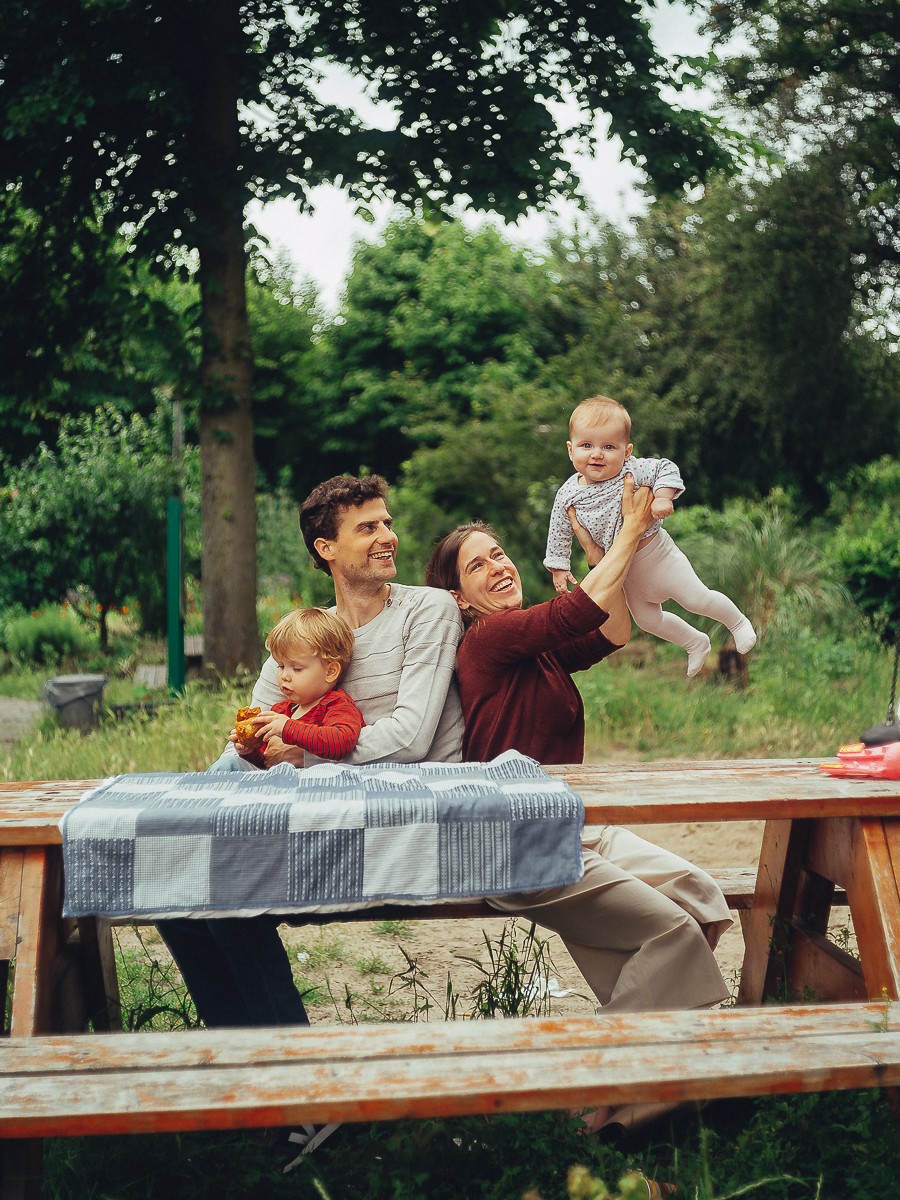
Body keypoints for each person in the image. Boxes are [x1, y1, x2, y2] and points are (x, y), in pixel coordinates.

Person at [425, 474, 733, 1138]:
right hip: (513, 845)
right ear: (459, 596)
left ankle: (638, 1088)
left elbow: (613, 626)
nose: (498, 566)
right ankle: (600, 1102)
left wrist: (606, 549)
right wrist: (630, 531)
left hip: (575, 829)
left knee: (702, 898)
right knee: (669, 934)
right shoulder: (488, 642)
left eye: (499, 553)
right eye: (477, 565)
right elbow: (578, 612)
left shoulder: (536, 652)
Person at [158, 474, 464, 1026]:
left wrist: (302, 750)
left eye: (387, 523)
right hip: (322, 812)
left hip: (406, 818)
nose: (387, 535)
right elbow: (258, 723)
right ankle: (248, 1063)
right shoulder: (311, 636)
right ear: (325, 549)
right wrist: (250, 744)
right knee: (173, 893)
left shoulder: (428, 610)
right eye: (367, 527)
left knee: (225, 891)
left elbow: (412, 737)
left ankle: (291, 1070)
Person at [544, 394, 756, 677]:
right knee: (647, 620)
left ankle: (738, 622)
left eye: (608, 446)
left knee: (695, 599)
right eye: (586, 445)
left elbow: (666, 467)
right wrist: (559, 566)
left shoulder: (630, 470)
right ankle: (694, 642)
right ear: (571, 451)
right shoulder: (567, 493)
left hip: (657, 555)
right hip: (626, 570)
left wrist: (662, 497)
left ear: (626, 451)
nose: (596, 454)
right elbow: (559, 529)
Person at [234, 606, 364, 768]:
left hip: (322, 785)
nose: (284, 676)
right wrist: (250, 750)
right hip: (281, 786)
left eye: (296, 668)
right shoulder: (280, 711)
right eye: (281, 666)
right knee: (231, 763)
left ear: (330, 671)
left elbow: (342, 742)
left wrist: (287, 728)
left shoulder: (336, 705)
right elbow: (268, 761)